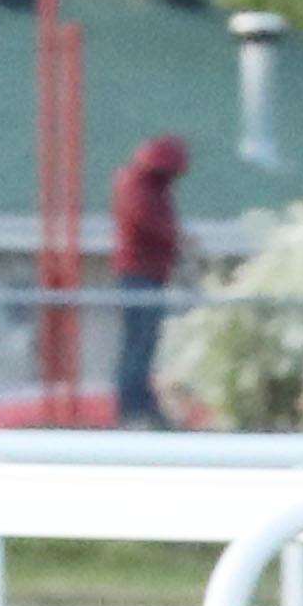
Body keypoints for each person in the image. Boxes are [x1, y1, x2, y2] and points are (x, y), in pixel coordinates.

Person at [110, 133, 191, 430]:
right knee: (139, 344)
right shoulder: (136, 186)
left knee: (145, 344)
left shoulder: (154, 189)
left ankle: (143, 405)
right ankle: (133, 409)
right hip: (138, 276)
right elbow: (148, 221)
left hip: (152, 275)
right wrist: (178, 239)